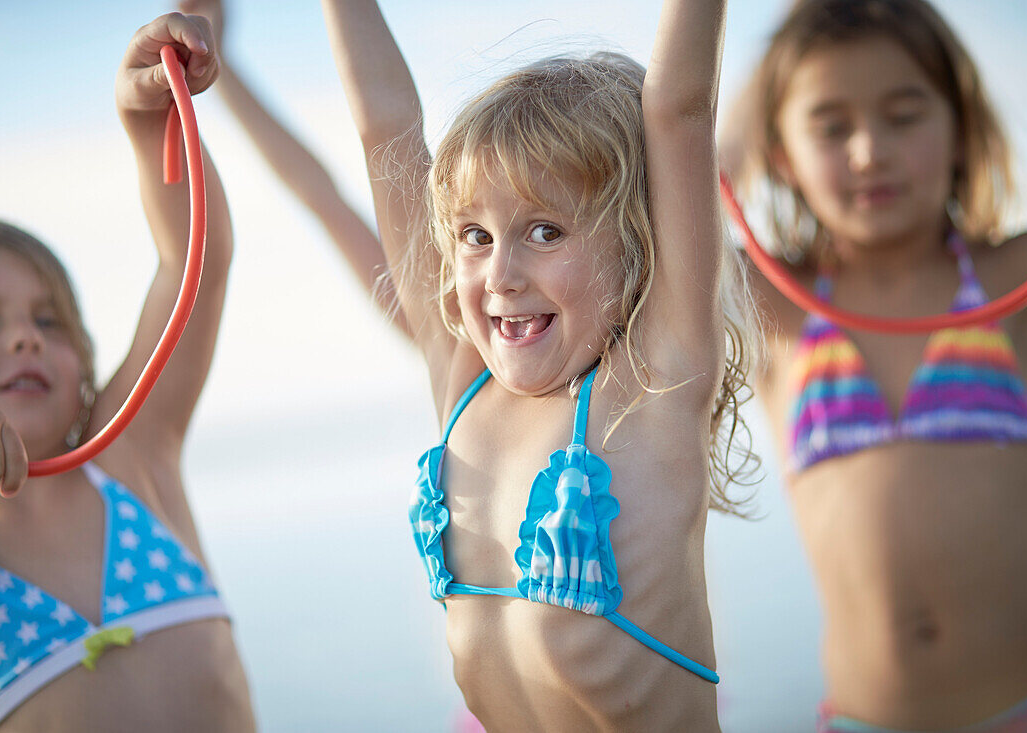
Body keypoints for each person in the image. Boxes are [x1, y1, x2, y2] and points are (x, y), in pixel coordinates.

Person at [323, 0, 754, 729]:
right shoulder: (462, 381)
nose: (501, 273)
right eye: (475, 235)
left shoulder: (655, 384)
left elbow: (680, 106)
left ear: (639, 238)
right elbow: (384, 127)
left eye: (545, 230)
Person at [723, 0, 1027, 729]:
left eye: (904, 116)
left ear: (962, 129)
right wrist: (772, 69)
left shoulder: (1019, 278)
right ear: (780, 154)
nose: (869, 150)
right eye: (830, 127)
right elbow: (673, 211)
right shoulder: (775, 305)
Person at [0, 14, 256, 733]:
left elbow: (196, 265)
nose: (25, 337)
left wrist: (150, 121)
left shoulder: (133, 460)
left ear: (84, 362)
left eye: (49, 320)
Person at [175, 0, 404, 332]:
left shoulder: (450, 341)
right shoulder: (449, 332)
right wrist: (217, 66)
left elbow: (387, 132)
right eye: (479, 237)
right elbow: (324, 193)